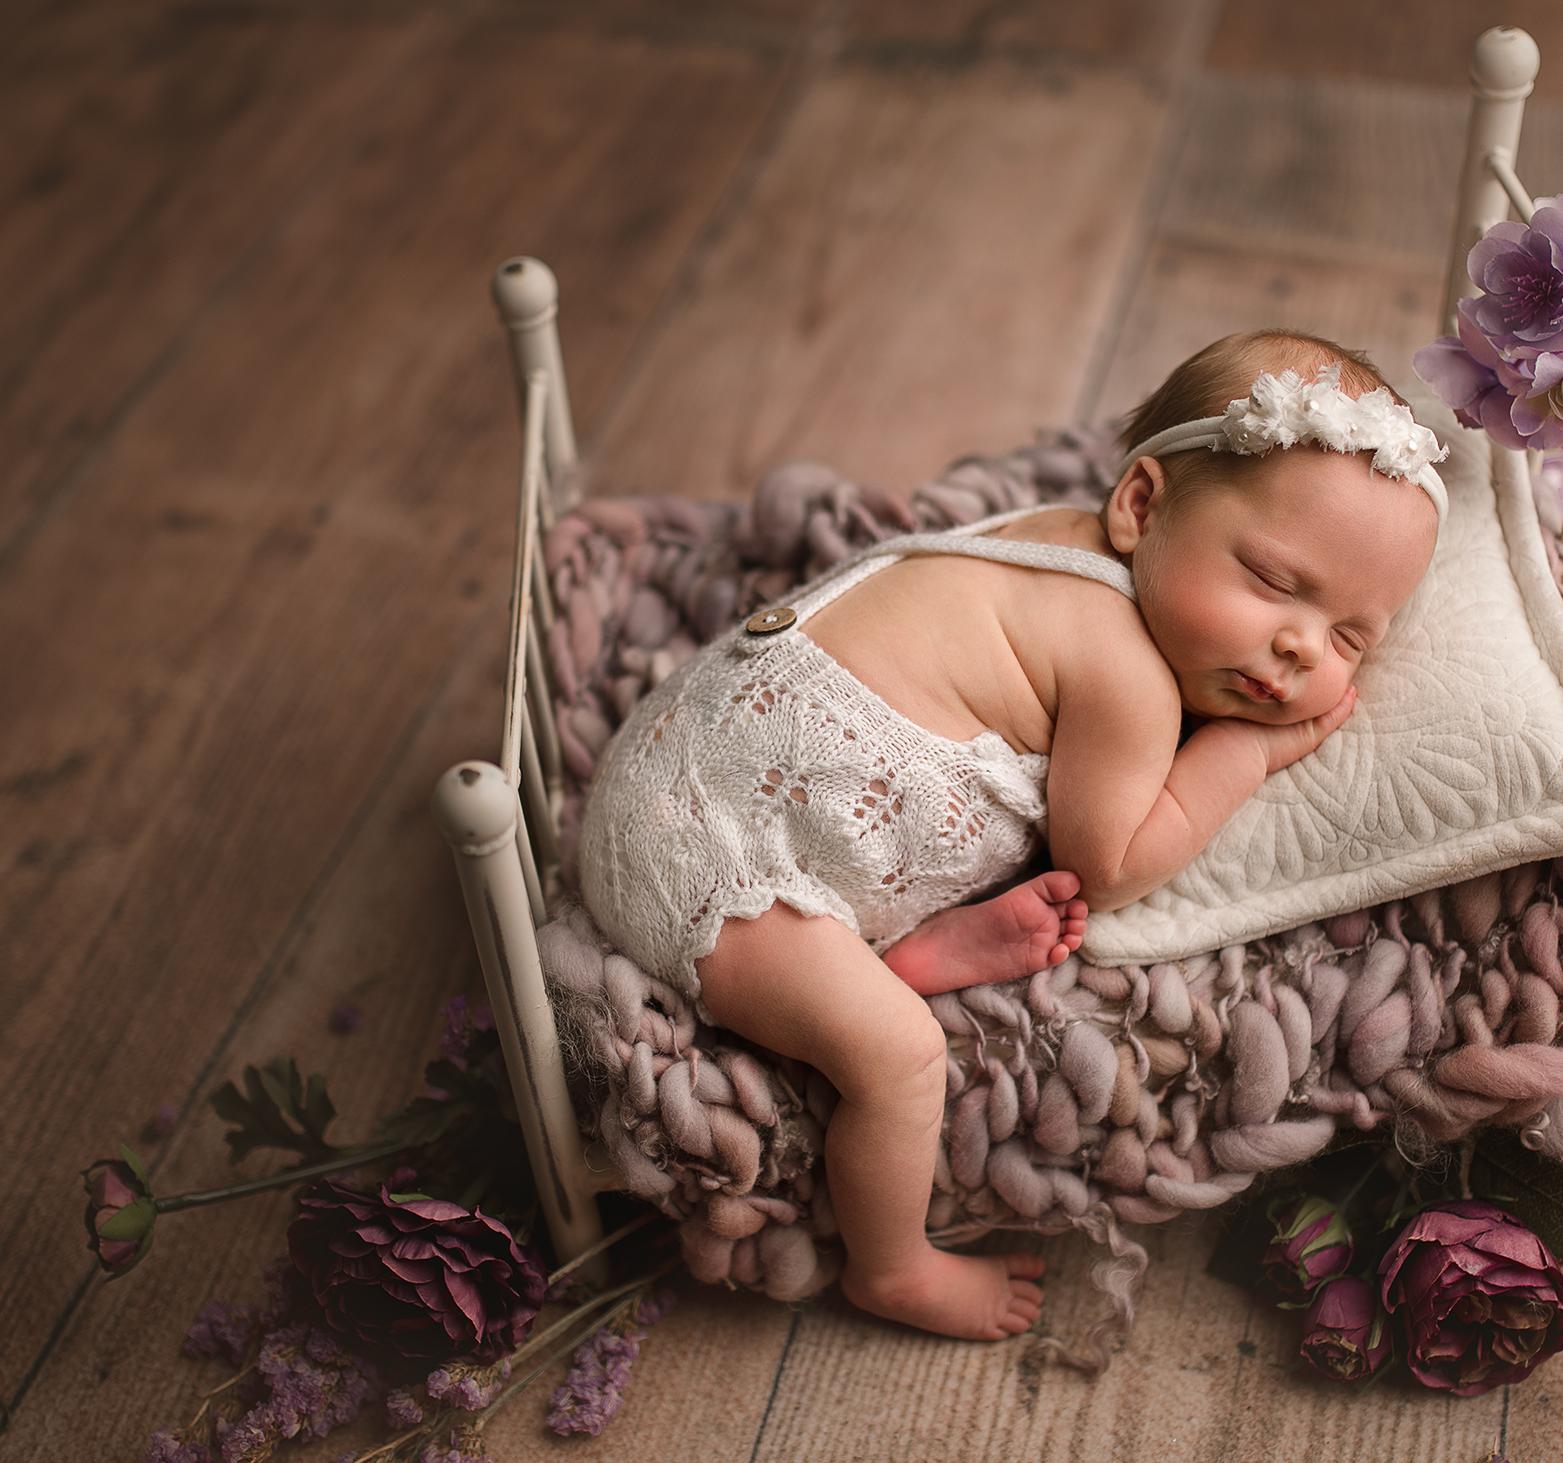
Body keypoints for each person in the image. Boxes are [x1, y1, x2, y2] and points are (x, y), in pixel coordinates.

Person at [578, 328, 1448, 1343]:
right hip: (708, 871)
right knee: (898, 1058)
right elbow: (1109, 864)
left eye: (1350, 636)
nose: (1300, 643)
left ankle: (904, 954)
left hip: (677, 758)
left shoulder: (1051, 534)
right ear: (1140, 506)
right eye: (1269, 579)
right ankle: (891, 1266)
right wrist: (1243, 757)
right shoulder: (1121, 670)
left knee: (861, 964)